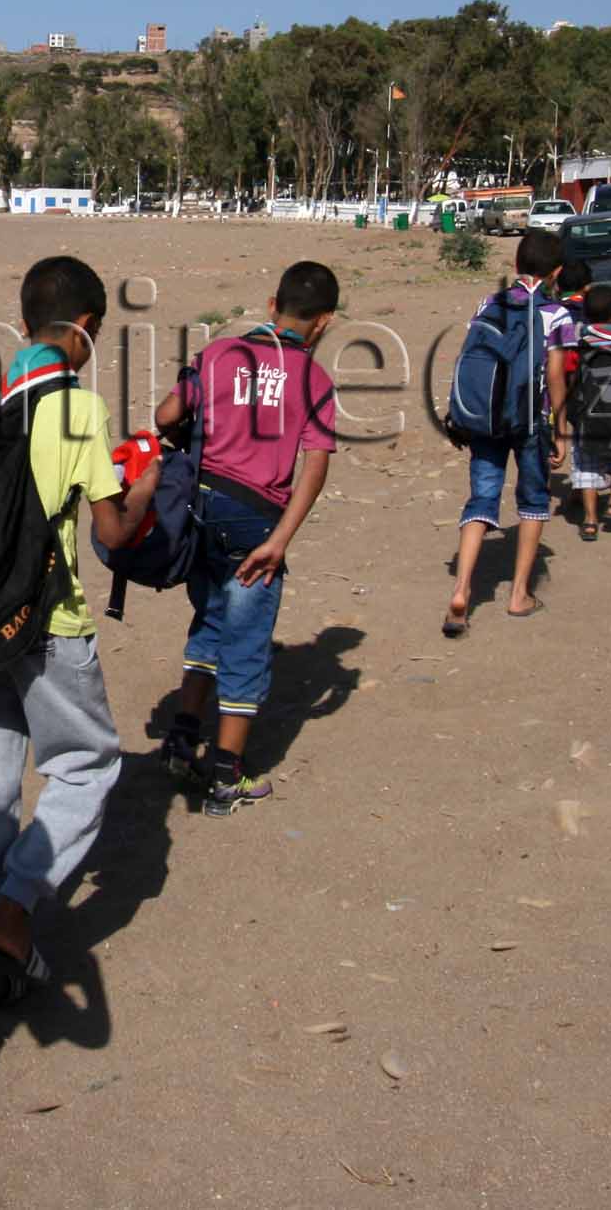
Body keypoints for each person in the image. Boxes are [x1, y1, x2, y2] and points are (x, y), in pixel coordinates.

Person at [0, 256, 161, 1023]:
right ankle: (16, 902)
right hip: (45, 622)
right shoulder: (78, 409)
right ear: (87, 328)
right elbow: (112, 529)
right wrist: (145, 483)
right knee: (87, 767)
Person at [151, 260, 340, 816]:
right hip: (257, 522)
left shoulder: (218, 354)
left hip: (201, 507)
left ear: (270, 305)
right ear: (324, 321)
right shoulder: (314, 378)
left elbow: (167, 415)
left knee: (208, 622)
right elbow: (316, 462)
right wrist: (282, 538)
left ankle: (183, 742)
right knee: (247, 643)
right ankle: (226, 777)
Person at [443, 230, 573, 635]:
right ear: (558, 272)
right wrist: (562, 429)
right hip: (530, 422)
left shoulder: (489, 303)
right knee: (533, 499)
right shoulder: (558, 314)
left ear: (516, 265)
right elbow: (555, 374)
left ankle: (463, 589)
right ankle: (519, 594)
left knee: (482, 494)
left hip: (484, 417)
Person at [564, 284, 611, 539]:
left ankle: (590, 520)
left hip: (588, 412)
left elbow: (573, 375)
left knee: (587, 463)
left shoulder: (579, 339)